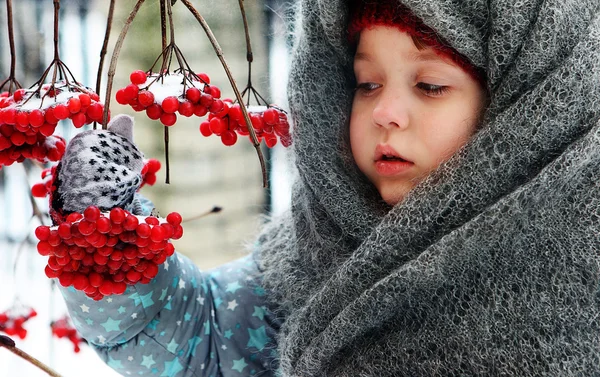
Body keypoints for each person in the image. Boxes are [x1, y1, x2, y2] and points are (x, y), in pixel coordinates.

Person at [54, 0, 600, 376]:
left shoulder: (580, 261)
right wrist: (108, 231)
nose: (385, 113)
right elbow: (202, 339)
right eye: (367, 84)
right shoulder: (325, 247)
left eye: (430, 85)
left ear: (525, 109)